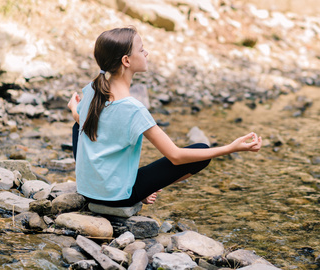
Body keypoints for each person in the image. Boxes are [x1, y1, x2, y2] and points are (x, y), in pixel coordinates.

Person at [67, 26, 262, 207]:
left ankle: (122, 186)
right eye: (141, 50)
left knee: (80, 125)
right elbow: (175, 157)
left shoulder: (93, 90)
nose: (146, 53)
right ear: (126, 61)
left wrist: (74, 107)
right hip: (116, 198)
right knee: (202, 151)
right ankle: (141, 191)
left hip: (88, 191)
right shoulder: (133, 109)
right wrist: (230, 148)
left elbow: (79, 117)